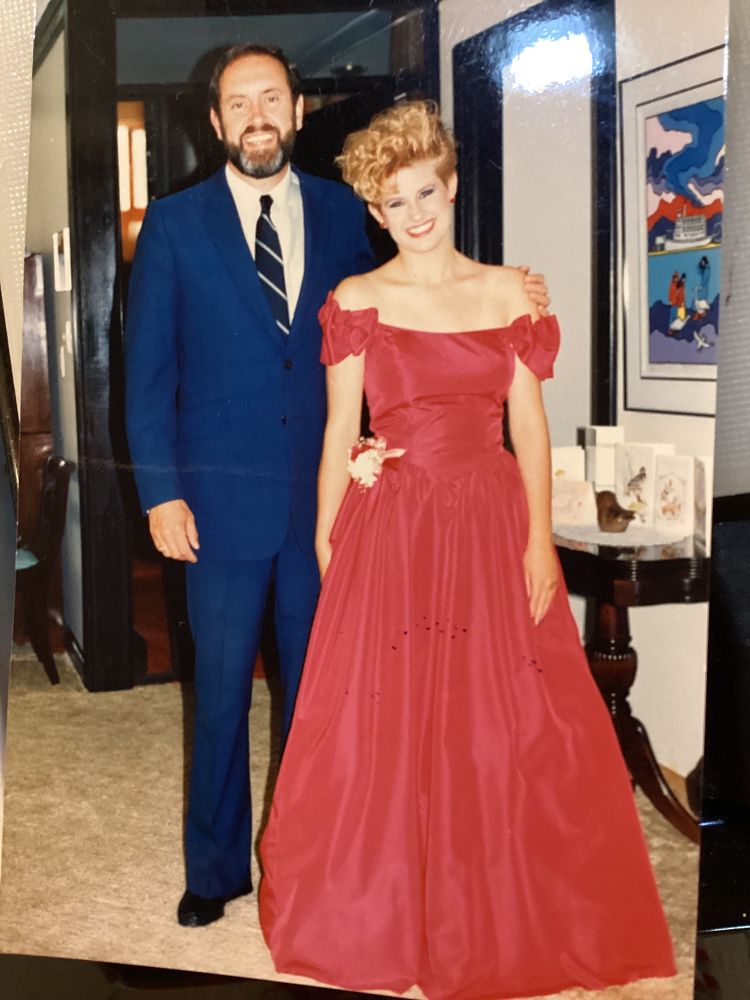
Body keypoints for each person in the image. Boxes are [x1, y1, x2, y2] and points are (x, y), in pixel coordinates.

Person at [125, 44, 551, 929]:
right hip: (216, 507)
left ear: (296, 109)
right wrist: (160, 493)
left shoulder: (342, 210)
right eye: (237, 103)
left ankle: (316, 855)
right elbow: (147, 374)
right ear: (215, 122)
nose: (256, 116)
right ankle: (216, 871)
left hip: (340, 508)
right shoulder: (171, 224)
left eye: (270, 98)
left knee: (331, 697)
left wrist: (519, 288)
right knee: (220, 694)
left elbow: (416, 291)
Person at [259, 101, 676, 999]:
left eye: (426, 193)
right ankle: (386, 907)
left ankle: (496, 899)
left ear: (452, 188)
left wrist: (539, 545)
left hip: (490, 520)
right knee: (388, 714)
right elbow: (338, 436)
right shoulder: (356, 301)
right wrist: (334, 554)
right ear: (373, 212)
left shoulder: (508, 292)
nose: (413, 215)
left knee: (507, 715)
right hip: (394, 528)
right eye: (393, 202)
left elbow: (530, 425)